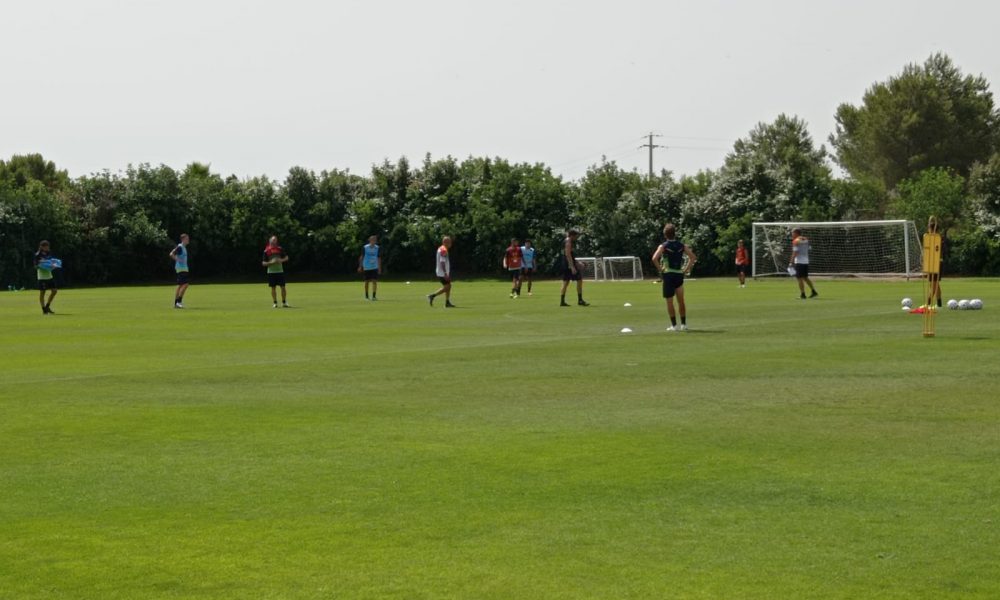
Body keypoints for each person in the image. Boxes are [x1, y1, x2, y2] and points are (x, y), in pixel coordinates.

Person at [652, 223, 697, 331]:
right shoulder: (681, 245)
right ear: (674, 233)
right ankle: (684, 324)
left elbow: (654, 258)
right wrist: (685, 270)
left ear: (665, 234)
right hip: (678, 274)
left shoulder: (663, 246)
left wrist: (661, 269)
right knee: (681, 300)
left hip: (668, 275)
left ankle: (674, 326)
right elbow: (693, 257)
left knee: (669, 301)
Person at [559, 229, 589, 307]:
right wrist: (572, 266)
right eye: (576, 236)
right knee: (579, 280)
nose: (576, 238)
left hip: (565, 263)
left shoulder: (566, 240)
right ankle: (580, 300)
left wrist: (577, 262)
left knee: (566, 282)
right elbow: (568, 254)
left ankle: (562, 301)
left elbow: (569, 255)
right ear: (572, 235)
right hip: (568, 264)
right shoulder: (569, 241)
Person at [789, 228, 818, 299]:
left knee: (799, 278)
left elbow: (795, 252)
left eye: (792, 233)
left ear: (796, 233)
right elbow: (809, 248)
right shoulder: (806, 239)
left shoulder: (795, 241)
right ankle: (814, 291)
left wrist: (791, 262)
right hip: (806, 261)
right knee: (805, 278)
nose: (792, 235)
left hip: (799, 262)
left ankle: (803, 294)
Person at [262, 235, 290, 308]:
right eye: (273, 240)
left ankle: (284, 302)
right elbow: (263, 263)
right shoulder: (266, 251)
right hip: (271, 272)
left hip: (280, 271)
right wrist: (271, 262)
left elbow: (286, 257)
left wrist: (281, 260)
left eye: (276, 240)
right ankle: (275, 303)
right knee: (273, 288)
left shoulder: (280, 249)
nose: (275, 241)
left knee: (283, 287)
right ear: (270, 241)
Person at [427, 236, 455, 307]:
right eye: (449, 242)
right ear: (445, 242)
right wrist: (445, 273)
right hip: (442, 273)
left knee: (448, 286)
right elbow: (442, 262)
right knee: (447, 287)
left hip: (441, 272)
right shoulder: (443, 250)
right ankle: (432, 296)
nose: (450, 243)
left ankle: (447, 302)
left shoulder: (441, 248)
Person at [34, 240, 58, 314]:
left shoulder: (48, 253)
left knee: (54, 291)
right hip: (42, 277)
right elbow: (36, 266)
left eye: (48, 246)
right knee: (42, 293)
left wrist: (53, 265)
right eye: (46, 246)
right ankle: (44, 309)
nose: (48, 248)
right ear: (42, 247)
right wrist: (41, 265)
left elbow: (50, 262)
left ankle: (47, 306)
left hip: (49, 275)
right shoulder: (37, 255)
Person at [169, 233, 190, 308]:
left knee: (180, 285)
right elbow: (171, 254)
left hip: (183, 268)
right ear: (183, 239)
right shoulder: (180, 247)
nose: (188, 240)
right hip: (181, 268)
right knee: (185, 284)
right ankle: (179, 302)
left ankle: (176, 303)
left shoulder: (183, 247)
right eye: (187, 239)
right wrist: (176, 259)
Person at [358, 235, 382, 300]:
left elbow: (379, 258)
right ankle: (366, 296)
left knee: (374, 281)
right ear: (369, 240)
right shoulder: (365, 247)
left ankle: (374, 296)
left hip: (375, 266)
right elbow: (361, 257)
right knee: (367, 282)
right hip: (367, 266)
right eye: (372, 240)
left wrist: (379, 268)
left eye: (375, 240)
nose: (373, 241)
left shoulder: (377, 248)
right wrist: (360, 266)